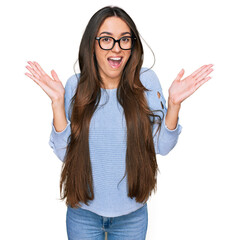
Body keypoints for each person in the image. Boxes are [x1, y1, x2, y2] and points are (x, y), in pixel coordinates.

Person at [25, 5, 213, 240]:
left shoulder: (145, 81)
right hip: (83, 214)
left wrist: (174, 104)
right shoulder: (75, 86)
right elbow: (65, 153)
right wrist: (56, 103)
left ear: (132, 45)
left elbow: (162, 146)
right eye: (106, 39)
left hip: (132, 216)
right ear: (91, 45)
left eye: (124, 40)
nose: (117, 48)